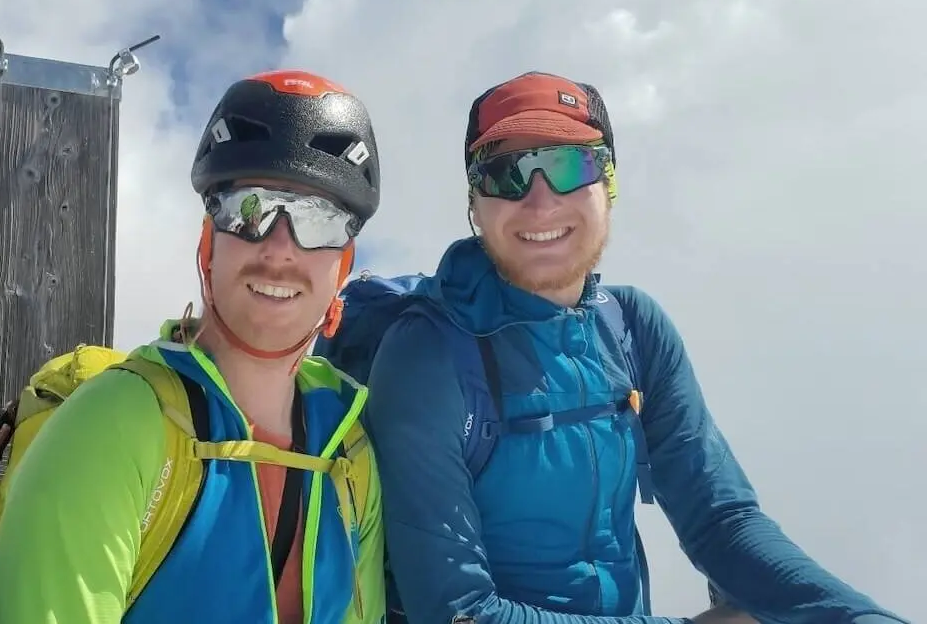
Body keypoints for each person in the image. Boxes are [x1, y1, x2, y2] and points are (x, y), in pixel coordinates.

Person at [328, 71, 909, 623]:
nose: (539, 200)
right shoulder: (427, 352)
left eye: (569, 165)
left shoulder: (633, 328)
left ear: (609, 183)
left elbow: (719, 520)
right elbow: (456, 611)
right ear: (475, 204)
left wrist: (857, 615)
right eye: (504, 173)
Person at [0, 70, 386, 624]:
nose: (281, 248)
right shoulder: (115, 422)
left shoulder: (349, 449)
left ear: (344, 267)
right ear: (208, 243)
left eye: (320, 221)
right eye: (250, 208)